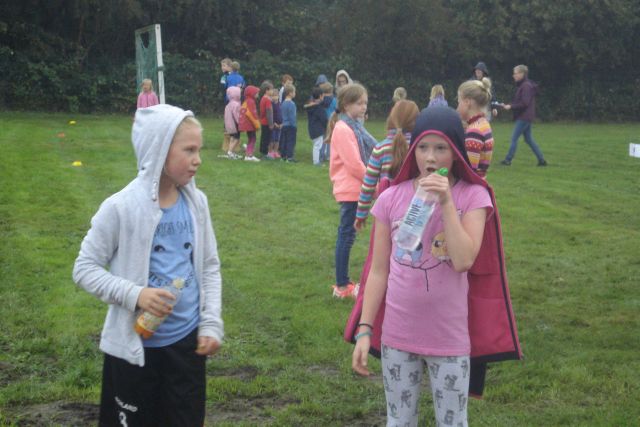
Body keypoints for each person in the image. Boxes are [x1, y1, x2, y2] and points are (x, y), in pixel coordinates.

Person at [350, 106, 521, 427]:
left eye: (441, 148)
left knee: (453, 422)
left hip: (449, 339)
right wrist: (365, 329)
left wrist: (445, 202)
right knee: (399, 421)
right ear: (413, 150)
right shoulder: (390, 198)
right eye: (423, 147)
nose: (430, 157)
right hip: (398, 336)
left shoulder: (473, 197)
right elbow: (378, 270)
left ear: (455, 152)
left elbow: (464, 260)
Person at [73, 104, 223, 426]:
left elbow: (210, 266)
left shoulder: (197, 204)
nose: (198, 159)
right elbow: (84, 268)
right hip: (134, 352)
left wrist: (210, 323)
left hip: (186, 347)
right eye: (189, 150)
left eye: (199, 150)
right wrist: (136, 294)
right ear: (159, 150)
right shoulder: (120, 208)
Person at [327, 83, 376, 299]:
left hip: (356, 188)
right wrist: (373, 185)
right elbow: (354, 165)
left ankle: (343, 282)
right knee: (346, 236)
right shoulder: (343, 129)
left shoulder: (354, 126)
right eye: (359, 103)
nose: (364, 107)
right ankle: (342, 285)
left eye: (365, 103)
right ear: (346, 105)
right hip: (351, 189)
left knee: (347, 235)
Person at [355, 100, 419, 230]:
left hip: (386, 212)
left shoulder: (380, 148)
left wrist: (361, 215)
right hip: (415, 212)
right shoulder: (420, 148)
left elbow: (368, 186)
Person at [500, 64, 547, 166]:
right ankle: (542, 160)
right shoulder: (524, 85)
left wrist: (511, 106)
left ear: (522, 74)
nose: (514, 75)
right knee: (528, 139)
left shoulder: (526, 86)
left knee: (514, 138)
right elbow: (520, 101)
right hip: (526, 116)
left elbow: (524, 103)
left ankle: (508, 160)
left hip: (524, 117)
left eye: (515, 73)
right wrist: (509, 105)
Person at [457, 78, 494, 178]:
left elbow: (468, 170)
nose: (457, 107)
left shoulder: (474, 131)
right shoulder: (483, 123)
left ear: (467, 102)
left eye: (459, 101)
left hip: (471, 184)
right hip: (480, 181)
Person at [306, 87, 330, 166]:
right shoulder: (319, 108)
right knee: (318, 146)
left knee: (316, 144)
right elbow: (324, 119)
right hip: (318, 130)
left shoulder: (310, 106)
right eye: (323, 96)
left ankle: (317, 160)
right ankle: (316, 162)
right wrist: (327, 125)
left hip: (312, 128)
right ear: (320, 96)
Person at [238, 85, 261, 162]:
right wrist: (257, 125)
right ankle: (249, 155)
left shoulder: (246, 101)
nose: (258, 94)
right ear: (252, 93)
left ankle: (248, 154)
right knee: (253, 139)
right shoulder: (251, 102)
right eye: (256, 93)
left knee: (250, 139)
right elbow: (252, 114)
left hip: (246, 124)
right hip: (250, 124)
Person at [279, 83, 298, 162]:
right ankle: (289, 157)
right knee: (291, 141)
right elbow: (292, 117)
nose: (295, 93)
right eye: (294, 92)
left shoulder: (283, 103)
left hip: (284, 125)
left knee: (284, 140)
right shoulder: (292, 104)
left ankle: (283, 156)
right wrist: (294, 126)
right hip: (290, 126)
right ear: (290, 93)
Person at [319, 82, 337, 163]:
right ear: (331, 90)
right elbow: (336, 110)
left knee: (322, 138)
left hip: (322, 120)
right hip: (331, 120)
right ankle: (328, 155)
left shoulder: (320, 100)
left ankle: (321, 154)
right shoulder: (334, 100)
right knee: (330, 138)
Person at [223, 86, 242, 159]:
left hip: (229, 125)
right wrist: (240, 122)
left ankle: (232, 152)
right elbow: (236, 115)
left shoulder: (228, 104)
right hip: (235, 124)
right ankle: (230, 152)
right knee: (236, 138)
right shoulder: (236, 104)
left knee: (232, 138)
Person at [219, 58, 233, 152]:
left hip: (233, 100)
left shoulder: (233, 75)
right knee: (227, 118)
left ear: (229, 66)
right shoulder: (224, 76)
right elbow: (222, 87)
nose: (222, 67)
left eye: (224, 65)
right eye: (222, 66)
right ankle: (226, 141)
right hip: (227, 100)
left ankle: (234, 140)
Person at [258, 80, 275, 158]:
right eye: (271, 89)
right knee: (267, 138)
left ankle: (262, 151)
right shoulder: (267, 100)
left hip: (263, 121)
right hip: (267, 123)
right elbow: (269, 113)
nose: (273, 91)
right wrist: (271, 124)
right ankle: (265, 153)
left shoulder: (263, 98)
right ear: (266, 90)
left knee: (263, 137)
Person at [269, 87, 283, 160]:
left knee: (278, 139)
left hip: (280, 125)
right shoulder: (271, 105)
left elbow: (282, 114)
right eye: (272, 96)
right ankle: (270, 152)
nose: (274, 97)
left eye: (276, 95)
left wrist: (282, 123)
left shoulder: (280, 104)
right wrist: (274, 123)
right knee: (272, 139)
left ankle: (275, 151)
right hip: (273, 124)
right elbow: (271, 115)